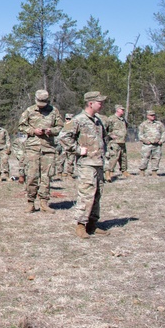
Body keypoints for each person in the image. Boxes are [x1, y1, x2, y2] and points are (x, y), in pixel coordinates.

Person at [59, 92, 109, 239]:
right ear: (90, 103)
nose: (102, 105)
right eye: (99, 102)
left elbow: (103, 139)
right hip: (86, 164)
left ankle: (92, 224)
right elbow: (64, 137)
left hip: (98, 163)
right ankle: (81, 225)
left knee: (97, 194)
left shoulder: (98, 121)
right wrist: (78, 150)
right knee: (86, 194)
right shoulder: (78, 120)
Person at [17, 89, 64, 213]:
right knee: (32, 176)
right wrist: (33, 131)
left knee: (46, 177)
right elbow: (21, 126)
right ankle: (30, 202)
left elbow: (60, 127)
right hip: (32, 148)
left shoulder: (54, 111)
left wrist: (51, 131)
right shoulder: (29, 111)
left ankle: (44, 202)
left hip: (48, 148)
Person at [137, 110, 165, 176]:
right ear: (147, 116)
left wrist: (161, 140)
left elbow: (163, 132)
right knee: (145, 158)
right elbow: (140, 135)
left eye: (154, 115)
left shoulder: (159, 124)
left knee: (156, 158)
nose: (153, 116)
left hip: (157, 145)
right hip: (147, 145)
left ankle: (154, 172)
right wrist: (145, 141)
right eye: (151, 115)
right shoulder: (143, 124)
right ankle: (142, 171)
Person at [103, 105, 129, 180]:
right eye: (122, 110)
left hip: (122, 141)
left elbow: (125, 127)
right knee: (113, 157)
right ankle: (109, 172)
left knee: (123, 157)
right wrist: (110, 135)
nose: (123, 111)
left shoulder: (123, 120)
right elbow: (104, 129)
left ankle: (124, 171)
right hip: (114, 142)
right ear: (117, 110)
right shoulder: (111, 119)